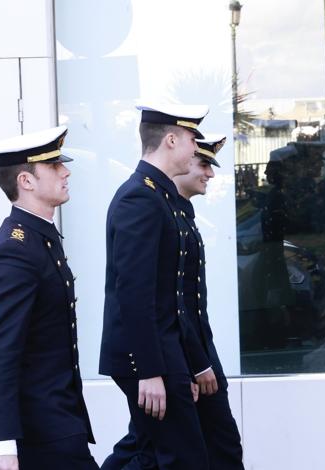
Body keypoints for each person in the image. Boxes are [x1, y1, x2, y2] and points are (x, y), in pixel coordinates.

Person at [102, 133, 244, 470]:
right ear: (170, 141)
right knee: (177, 455)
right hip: (155, 356)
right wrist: (154, 370)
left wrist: (195, 360)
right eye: (202, 160)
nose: (208, 171)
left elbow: (182, 301)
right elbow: (136, 296)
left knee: (157, 448)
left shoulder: (169, 205)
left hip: (175, 351)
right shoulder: (140, 198)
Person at [0, 126, 97, 470]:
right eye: (55, 165)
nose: (66, 171)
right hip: (42, 433)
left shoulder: (40, 238)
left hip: (58, 424)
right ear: (26, 181)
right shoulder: (14, 251)